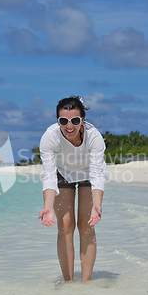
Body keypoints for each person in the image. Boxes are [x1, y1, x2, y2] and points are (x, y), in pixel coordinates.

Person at [38, 95, 109, 283]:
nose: (69, 126)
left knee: (86, 225)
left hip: (88, 174)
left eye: (75, 120)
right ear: (58, 121)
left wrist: (97, 204)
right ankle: (68, 283)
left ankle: (86, 283)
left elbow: (96, 174)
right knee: (65, 226)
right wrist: (48, 207)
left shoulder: (94, 136)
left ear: (82, 120)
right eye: (64, 121)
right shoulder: (49, 137)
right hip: (63, 173)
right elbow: (49, 176)